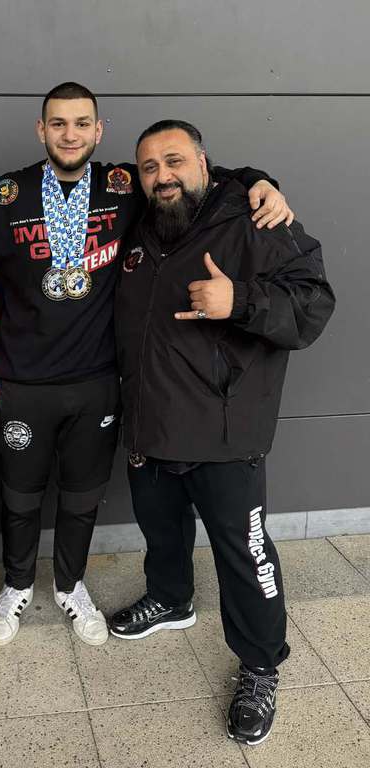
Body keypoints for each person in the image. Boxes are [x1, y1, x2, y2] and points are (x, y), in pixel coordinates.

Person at [0, 82, 294, 648]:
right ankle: (16, 584)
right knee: (19, 497)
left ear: (98, 130)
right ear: (41, 129)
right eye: (58, 123)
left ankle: (70, 584)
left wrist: (260, 180)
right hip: (22, 381)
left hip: (96, 380)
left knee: (83, 497)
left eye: (82, 123)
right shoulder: (6, 195)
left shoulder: (126, 185)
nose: (70, 134)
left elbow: (190, 178)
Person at [111, 120, 335, 744]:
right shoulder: (142, 221)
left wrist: (239, 301)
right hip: (150, 424)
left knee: (245, 555)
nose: (163, 176)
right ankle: (171, 598)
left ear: (205, 163)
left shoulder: (255, 219)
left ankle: (261, 665)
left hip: (225, 432)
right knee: (161, 530)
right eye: (150, 167)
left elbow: (314, 304)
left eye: (175, 161)